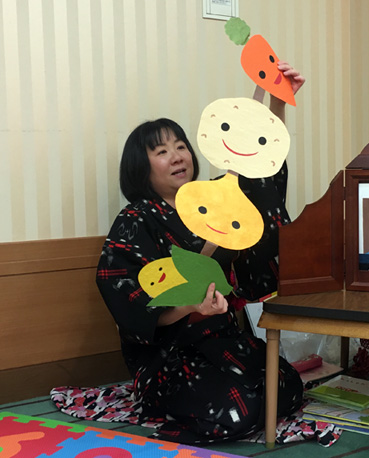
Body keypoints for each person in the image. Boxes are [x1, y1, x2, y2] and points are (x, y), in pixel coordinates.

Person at [95, 63, 306, 444]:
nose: (177, 156)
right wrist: (191, 306)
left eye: (180, 146)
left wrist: (277, 102)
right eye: (162, 151)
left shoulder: (213, 201)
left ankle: (237, 401)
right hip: (170, 354)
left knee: (288, 386)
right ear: (141, 168)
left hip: (223, 340)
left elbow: (256, 173)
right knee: (238, 409)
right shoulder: (137, 219)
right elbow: (129, 299)